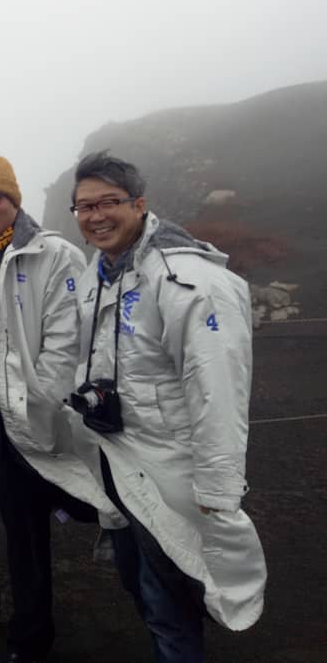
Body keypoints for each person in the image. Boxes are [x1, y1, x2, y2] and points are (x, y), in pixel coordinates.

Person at [0, 155, 123, 663]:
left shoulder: (51, 254)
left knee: (24, 526)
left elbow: (65, 342)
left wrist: (40, 404)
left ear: (15, 202)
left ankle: (31, 637)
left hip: (18, 413)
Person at [69, 151, 266, 663]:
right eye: (83, 206)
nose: (95, 216)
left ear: (140, 204)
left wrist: (218, 491)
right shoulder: (98, 275)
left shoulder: (188, 281)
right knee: (141, 583)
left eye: (108, 202)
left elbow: (219, 389)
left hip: (170, 469)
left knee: (166, 600)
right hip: (119, 461)